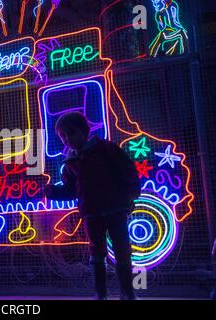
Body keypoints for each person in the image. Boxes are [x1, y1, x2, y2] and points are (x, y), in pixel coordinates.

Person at [45, 112, 140, 300]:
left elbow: (128, 171)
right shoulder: (71, 162)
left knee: (122, 249)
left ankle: (127, 293)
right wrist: (52, 192)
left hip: (115, 208)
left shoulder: (106, 149)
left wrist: (130, 196)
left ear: (83, 131)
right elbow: (72, 190)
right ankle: (101, 294)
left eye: (70, 133)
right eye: (63, 136)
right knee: (97, 251)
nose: (67, 139)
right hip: (92, 213)